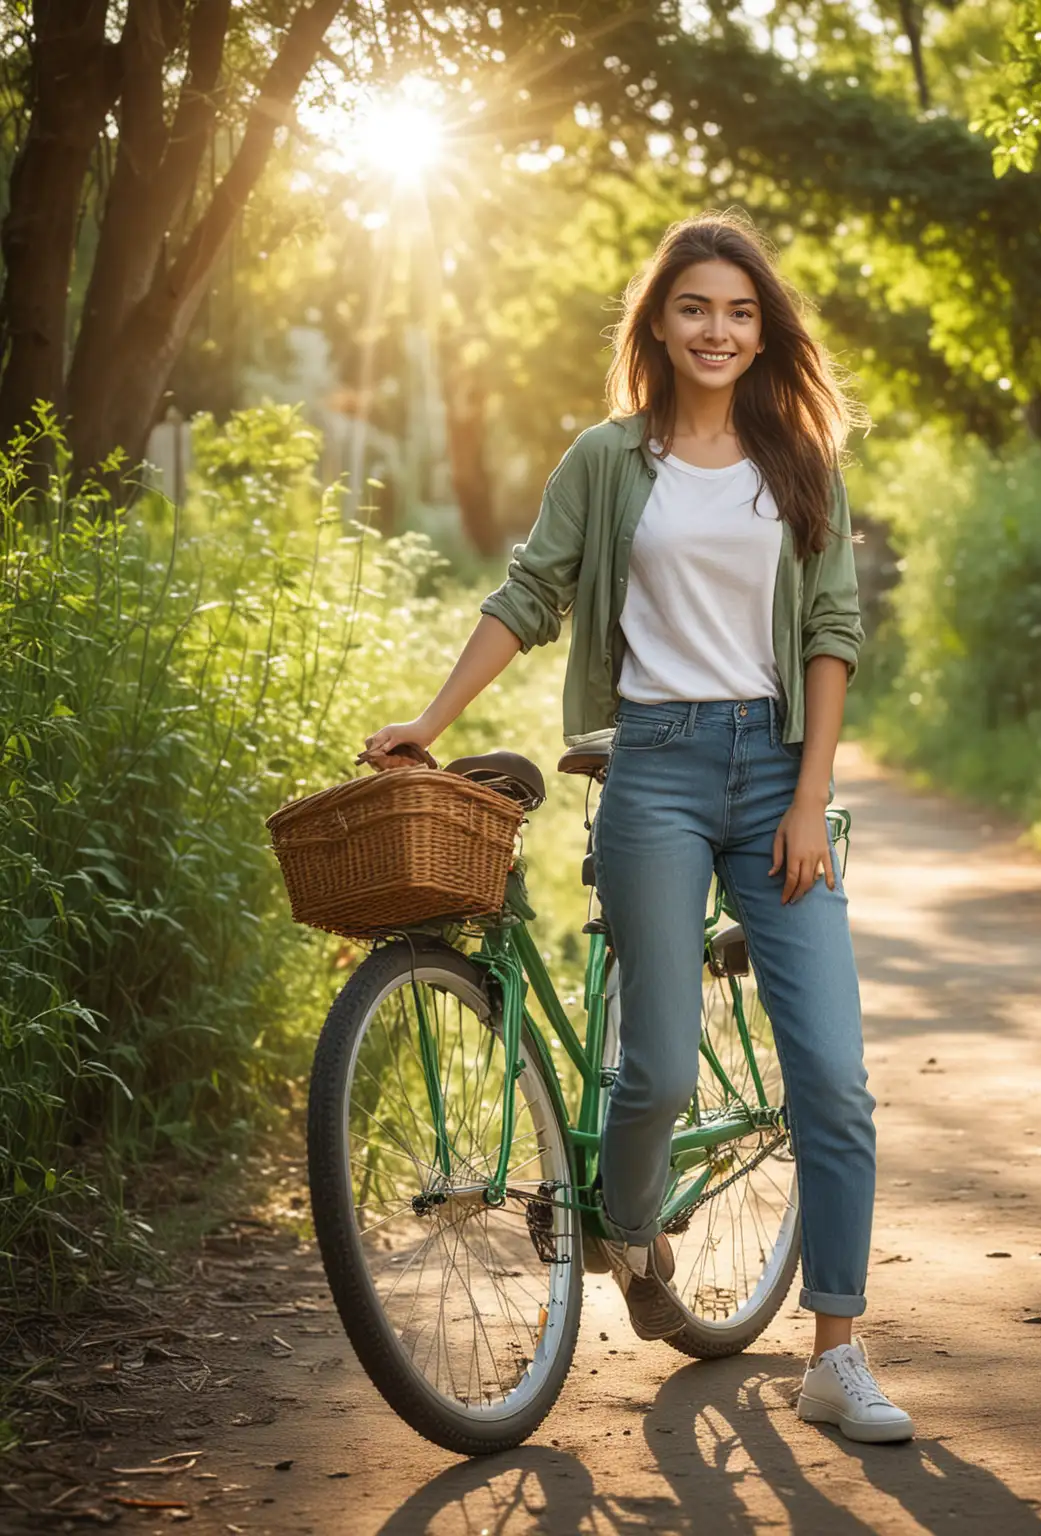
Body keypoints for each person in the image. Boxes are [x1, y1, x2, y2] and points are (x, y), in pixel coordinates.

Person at [364, 211, 913, 1445]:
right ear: (657, 325)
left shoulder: (803, 462)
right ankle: (629, 1230)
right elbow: (531, 592)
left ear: (762, 330)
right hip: (651, 770)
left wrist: (814, 796)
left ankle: (836, 1352)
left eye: (740, 311)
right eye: (694, 309)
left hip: (777, 775)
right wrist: (431, 716)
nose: (718, 330)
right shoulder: (608, 461)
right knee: (654, 1068)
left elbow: (833, 634)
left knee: (833, 1076)